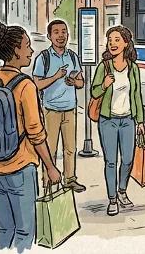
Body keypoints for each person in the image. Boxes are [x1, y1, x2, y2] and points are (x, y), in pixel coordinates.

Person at [0, 22, 62, 251]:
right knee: (25, 231)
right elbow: (36, 134)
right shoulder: (25, 86)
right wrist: (50, 167)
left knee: (3, 228)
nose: (31, 51)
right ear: (16, 52)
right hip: (19, 168)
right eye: (27, 46)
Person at [91, 25, 145, 217]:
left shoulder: (133, 68)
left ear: (125, 43)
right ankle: (112, 199)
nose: (112, 44)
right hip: (108, 120)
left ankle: (122, 190)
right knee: (111, 161)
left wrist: (140, 121)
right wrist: (104, 85)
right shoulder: (103, 67)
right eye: (110, 40)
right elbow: (94, 91)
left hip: (128, 120)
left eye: (116, 40)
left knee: (128, 160)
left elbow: (137, 94)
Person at [32, 20, 86, 192]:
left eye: (63, 32)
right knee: (50, 150)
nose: (61, 36)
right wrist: (55, 77)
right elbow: (36, 84)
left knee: (70, 148)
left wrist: (74, 82)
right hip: (50, 110)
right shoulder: (43, 58)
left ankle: (70, 179)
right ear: (49, 36)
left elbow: (81, 82)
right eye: (56, 32)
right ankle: (48, 182)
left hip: (70, 108)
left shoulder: (72, 56)